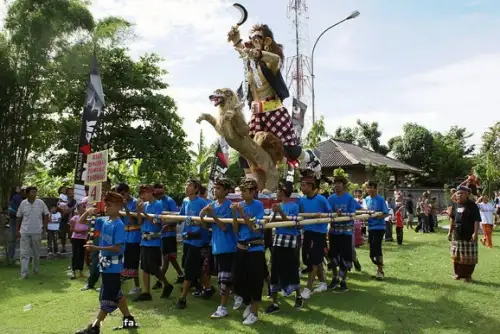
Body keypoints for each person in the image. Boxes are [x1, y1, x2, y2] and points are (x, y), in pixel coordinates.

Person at [227, 24, 322, 182]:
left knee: (289, 149)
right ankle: (251, 185)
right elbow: (243, 51)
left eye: (257, 38)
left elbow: (275, 58)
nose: (252, 41)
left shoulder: (270, 61)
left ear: (267, 41)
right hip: (256, 115)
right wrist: (236, 40)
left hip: (274, 111)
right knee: (245, 153)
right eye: (251, 38)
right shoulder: (250, 65)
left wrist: (258, 53)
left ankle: (310, 157)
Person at [75, 192, 138, 334]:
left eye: (109, 205)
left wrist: (96, 248)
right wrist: (87, 212)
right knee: (116, 293)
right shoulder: (104, 221)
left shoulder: (118, 224)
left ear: (117, 206)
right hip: (105, 266)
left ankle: (94, 327)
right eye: (105, 204)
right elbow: (81, 222)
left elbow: (117, 247)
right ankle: (128, 318)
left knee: (108, 299)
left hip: (114, 267)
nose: (106, 207)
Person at [199, 178, 238, 319]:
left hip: (228, 247)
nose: (215, 191)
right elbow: (207, 227)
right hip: (215, 247)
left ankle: (222, 307)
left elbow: (223, 227)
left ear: (227, 191)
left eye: (219, 188)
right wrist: (202, 216)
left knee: (224, 280)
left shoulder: (230, 206)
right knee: (224, 278)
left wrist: (213, 215)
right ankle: (239, 296)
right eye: (214, 188)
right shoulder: (212, 204)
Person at [265, 180, 303, 315]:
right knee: (274, 269)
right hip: (278, 240)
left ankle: (298, 295)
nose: (277, 193)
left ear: (284, 191)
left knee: (291, 268)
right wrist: (274, 213)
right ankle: (274, 302)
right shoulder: (277, 206)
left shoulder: (294, 206)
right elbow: (271, 223)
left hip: (290, 241)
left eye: (279, 190)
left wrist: (280, 212)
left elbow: (291, 224)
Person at [231, 178, 266, 325]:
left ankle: (254, 312)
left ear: (253, 192)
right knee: (238, 278)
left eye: (245, 191)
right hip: (241, 247)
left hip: (255, 248)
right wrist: (234, 214)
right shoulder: (241, 205)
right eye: (242, 191)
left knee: (255, 281)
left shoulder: (258, 205)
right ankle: (247, 303)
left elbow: (254, 228)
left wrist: (242, 213)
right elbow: (236, 229)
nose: (242, 195)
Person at [134, 185, 174, 302]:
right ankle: (146, 292)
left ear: (151, 192)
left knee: (153, 267)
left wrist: (144, 213)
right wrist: (139, 212)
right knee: (144, 267)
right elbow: (140, 222)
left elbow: (157, 222)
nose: (143, 195)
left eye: (145, 193)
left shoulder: (157, 204)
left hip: (154, 241)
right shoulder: (144, 205)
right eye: (142, 193)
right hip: (144, 239)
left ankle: (166, 284)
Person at [175, 179, 210, 309]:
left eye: (190, 185)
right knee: (189, 266)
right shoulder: (185, 201)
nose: (186, 187)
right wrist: (164, 221)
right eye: (186, 185)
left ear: (196, 189)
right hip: (187, 239)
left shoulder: (203, 202)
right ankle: (206, 288)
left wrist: (196, 223)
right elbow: (180, 217)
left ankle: (182, 298)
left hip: (198, 241)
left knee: (190, 268)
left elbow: (207, 222)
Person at [298, 171, 332, 299]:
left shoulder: (321, 199)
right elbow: (300, 215)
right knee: (310, 260)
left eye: (304, 186)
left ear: (311, 186)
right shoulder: (301, 200)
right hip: (307, 232)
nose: (302, 188)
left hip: (319, 234)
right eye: (301, 185)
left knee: (313, 261)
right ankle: (322, 283)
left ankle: (308, 288)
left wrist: (322, 216)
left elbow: (329, 214)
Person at [326, 175, 357, 291]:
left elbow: (352, 213)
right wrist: (334, 213)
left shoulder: (349, 198)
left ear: (344, 185)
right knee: (333, 256)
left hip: (346, 232)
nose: (337, 186)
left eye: (339, 183)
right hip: (334, 232)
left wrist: (343, 212)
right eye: (335, 183)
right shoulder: (331, 198)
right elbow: (327, 212)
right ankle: (335, 278)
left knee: (346, 257)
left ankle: (343, 280)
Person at [152, 183, 184, 291]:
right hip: (161, 234)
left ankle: (160, 281)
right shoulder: (157, 202)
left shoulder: (169, 200)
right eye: (156, 190)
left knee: (166, 259)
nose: (158, 192)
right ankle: (181, 275)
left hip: (169, 235)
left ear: (163, 190)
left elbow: (176, 217)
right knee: (170, 258)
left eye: (160, 190)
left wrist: (169, 226)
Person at [448, 186, 481, 282]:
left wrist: (475, 233)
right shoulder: (455, 205)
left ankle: (468, 276)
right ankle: (457, 274)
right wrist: (450, 231)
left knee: (469, 258)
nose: (459, 195)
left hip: (469, 235)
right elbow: (452, 219)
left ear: (467, 195)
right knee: (456, 257)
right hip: (457, 235)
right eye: (458, 193)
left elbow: (476, 220)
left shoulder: (472, 205)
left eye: (462, 193)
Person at [16, 186, 49, 279]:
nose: (34, 194)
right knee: (24, 253)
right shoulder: (23, 203)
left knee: (36, 253)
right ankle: (24, 273)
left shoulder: (40, 202)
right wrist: (17, 230)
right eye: (32, 192)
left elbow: (47, 214)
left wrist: (44, 226)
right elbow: (19, 216)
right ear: (27, 193)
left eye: (35, 192)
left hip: (37, 231)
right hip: (24, 231)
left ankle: (36, 269)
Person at [116, 183, 142, 294]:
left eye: (123, 193)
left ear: (127, 191)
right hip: (125, 236)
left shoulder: (136, 202)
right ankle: (117, 285)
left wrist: (125, 207)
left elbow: (134, 221)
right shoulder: (120, 203)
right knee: (122, 262)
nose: (122, 196)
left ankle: (137, 286)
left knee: (133, 262)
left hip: (134, 236)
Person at [365, 181, 389, 280]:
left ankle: (380, 271)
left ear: (375, 188)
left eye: (370, 187)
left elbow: (385, 213)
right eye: (367, 188)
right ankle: (378, 267)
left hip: (379, 228)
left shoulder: (380, 199)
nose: (369, 189)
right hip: (370, 228)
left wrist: (377, 216)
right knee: (372, 250)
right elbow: (365, 211)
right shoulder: (366, 199)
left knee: (377, 248)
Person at [70, 200, 90, 279]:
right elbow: (72, 229)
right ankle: (74, 272)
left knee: (82, 254)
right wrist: (82, 231)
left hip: (83, 238)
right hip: (75, 238)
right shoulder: (74, 218)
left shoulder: (88, 219)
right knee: (75, 254)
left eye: (84, 208)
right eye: (81, 208)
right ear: (78, 210)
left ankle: (81, 271)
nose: (83, 210)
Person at [7, 186, 23, 264]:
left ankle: (11, 257)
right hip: (16, 219)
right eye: (17, 188)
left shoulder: (16, 197)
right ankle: (13, 257)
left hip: (15, 218)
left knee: (13, 240)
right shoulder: (16, 197)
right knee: (14, 240)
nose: (18, 189)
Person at [59, 187, 77, 253]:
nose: (70, 193)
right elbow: (60, 208)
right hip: (64, 219)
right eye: (69, 191)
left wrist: (70, 209)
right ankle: (63, 247)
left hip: (72, 219)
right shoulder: (63, 200)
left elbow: (76, 207)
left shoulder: (76, 200)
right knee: (62, 235)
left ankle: (74, 248)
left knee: (71, 235)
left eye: (72, 191)